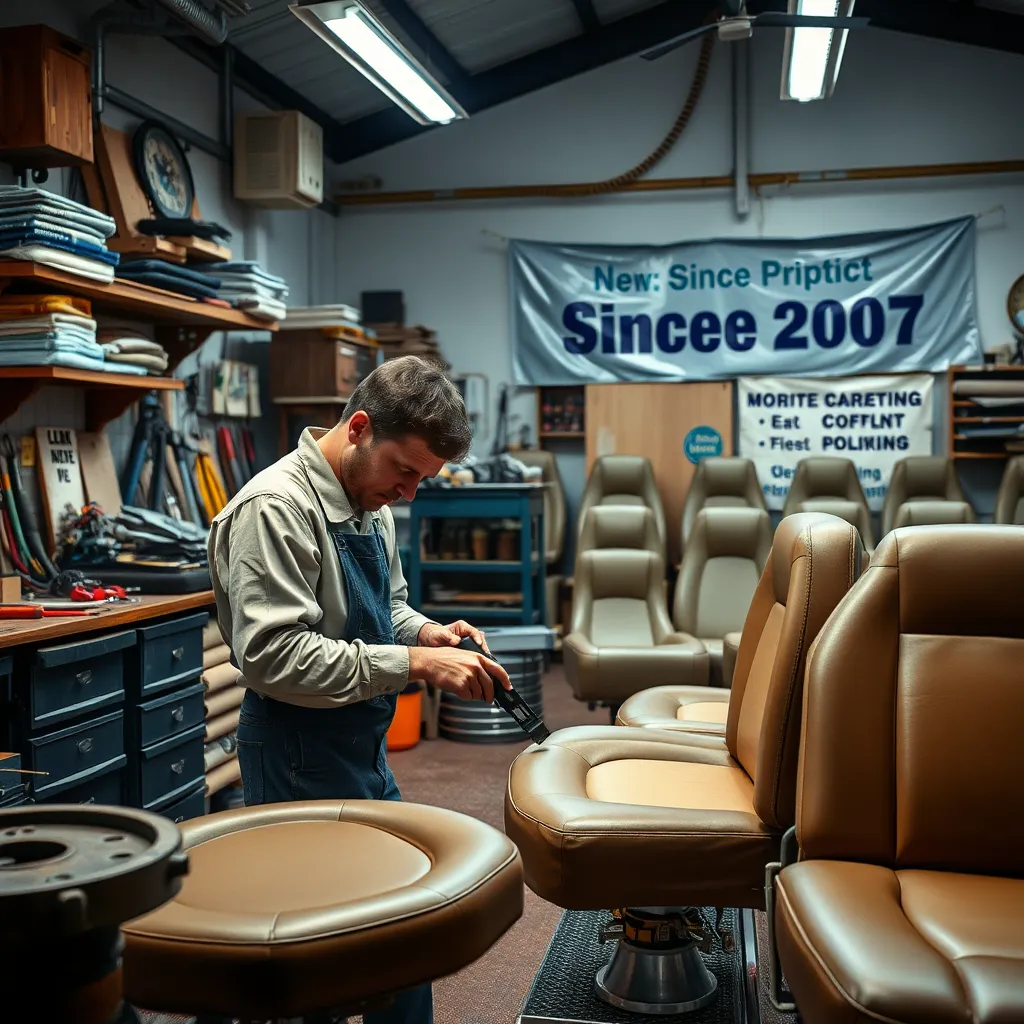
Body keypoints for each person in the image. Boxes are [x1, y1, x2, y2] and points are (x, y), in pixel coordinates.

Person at [207, 355, 511, 1024]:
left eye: (423, 480)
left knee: (403, 927)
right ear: (360, 428)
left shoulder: (371, 501)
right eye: (405, 472)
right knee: (317, 952)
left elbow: (386, 608)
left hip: (359, 743)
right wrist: (415, 667)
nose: (408, 494)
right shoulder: (275, 508)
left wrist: (427, 633)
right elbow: (274, 657)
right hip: (295, 749)